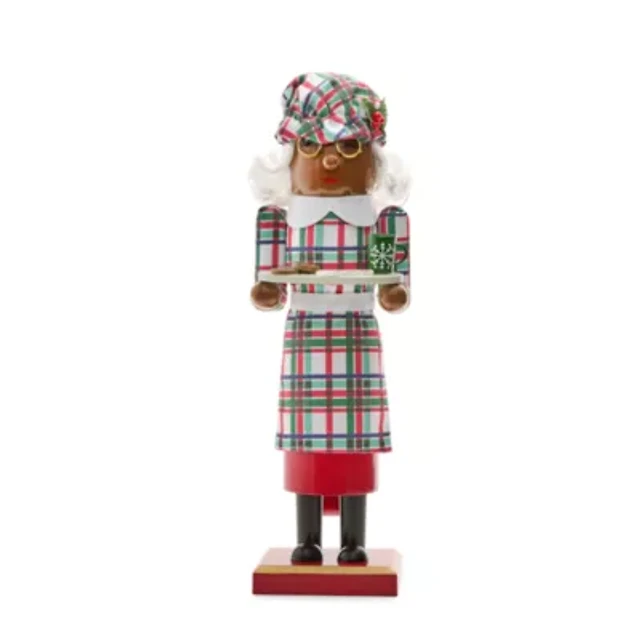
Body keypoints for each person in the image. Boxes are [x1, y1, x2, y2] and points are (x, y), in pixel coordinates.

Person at [249, 72, 411, 564]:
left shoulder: (382, 222)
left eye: (347, 147)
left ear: (371, 160)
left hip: (357, 336)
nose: (331, 160)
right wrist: (268, 289)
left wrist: (393, 292)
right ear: (292, 159)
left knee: (354, 446)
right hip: (305, 336)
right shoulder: (279, 222)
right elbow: (269, 285)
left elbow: (390, 281)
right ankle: (308, 538)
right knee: (306, 447)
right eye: (312, 147)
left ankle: (354, 540)